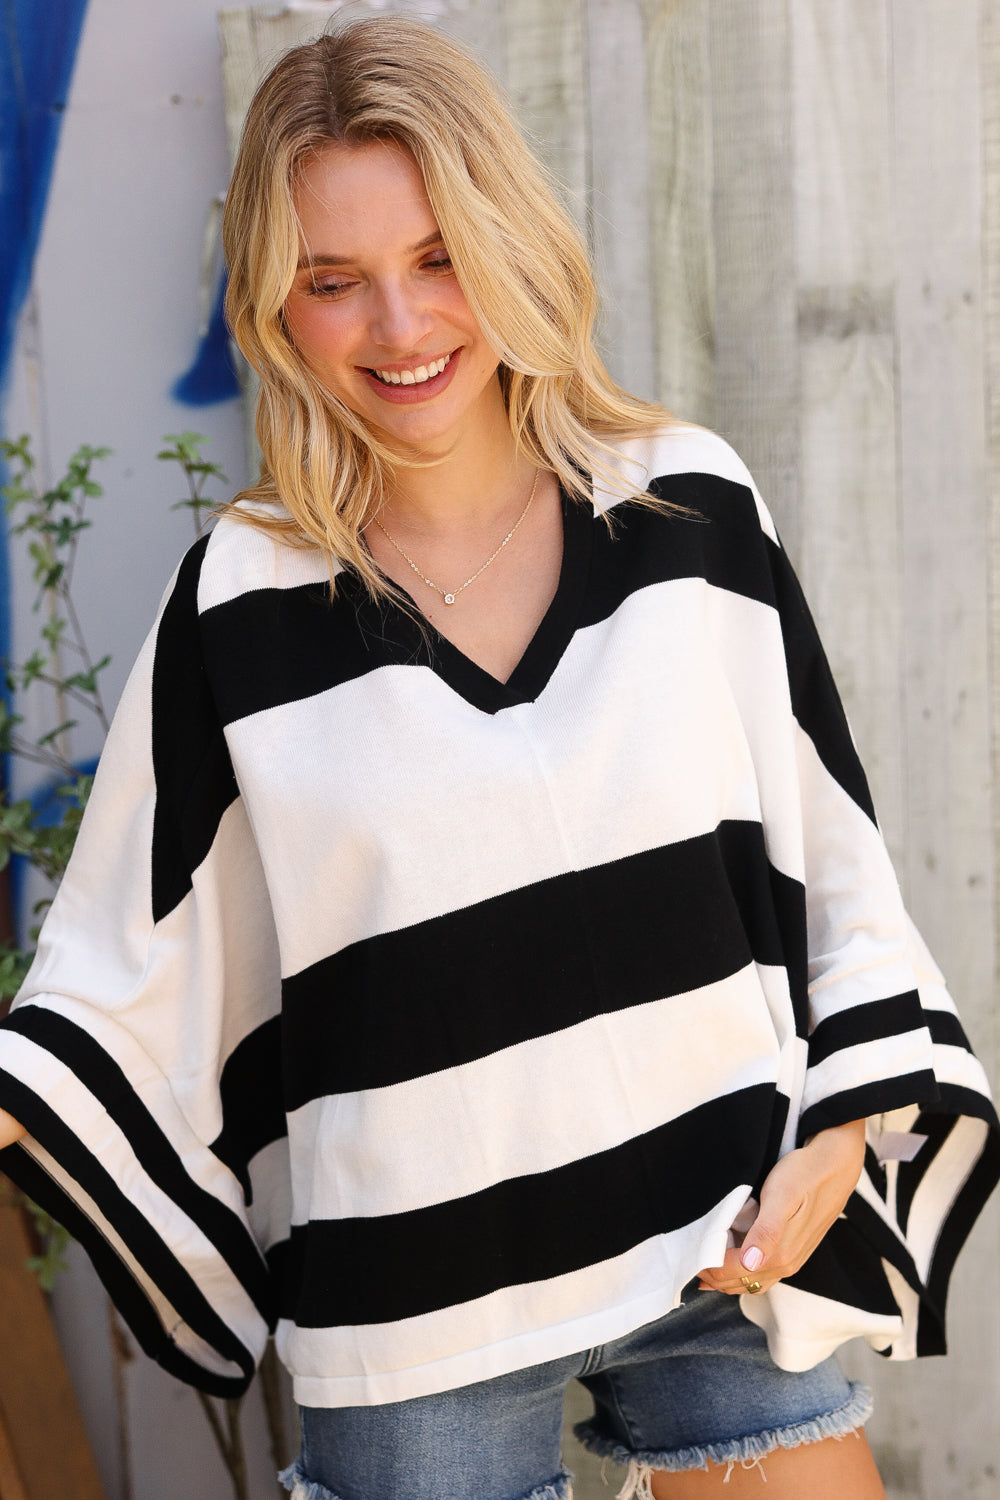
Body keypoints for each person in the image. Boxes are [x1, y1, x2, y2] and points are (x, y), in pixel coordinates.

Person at [0, 16, 996, 1500]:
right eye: (334, 283)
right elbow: (112, 972)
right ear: (276, 306)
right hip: (418, 1314)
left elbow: (836, 866)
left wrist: (839, 1137)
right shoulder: (238, 606)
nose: (400, 329)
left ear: (510, 241)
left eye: (440, 257)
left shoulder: (690, 515)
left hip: (723, 1248)